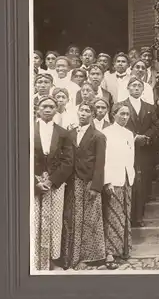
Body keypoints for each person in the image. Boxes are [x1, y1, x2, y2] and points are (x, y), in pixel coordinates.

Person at [61, 101, 106, 270]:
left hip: (89, 182)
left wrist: (96, 186)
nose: (83, 114)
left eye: (87, 111)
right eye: (81, 110)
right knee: (73, 218)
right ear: (77, 112)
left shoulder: (98, 136)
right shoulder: (70, 134)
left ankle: (90, 257)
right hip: (72, 182)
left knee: (90, 219)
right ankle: (71, 257)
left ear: (92, 115)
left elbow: (100, 163)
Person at [33, 96, 74, 270]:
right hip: (33, 183)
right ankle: (34, 260)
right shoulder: (28, 129)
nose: (48, 109)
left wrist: (51, 181)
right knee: (35, 220)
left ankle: (52, 259)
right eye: (44, 106)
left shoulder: (63, 133)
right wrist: (35, 181)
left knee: (54, 221)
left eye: (51, 106)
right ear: (38, 108)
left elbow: (68, 161)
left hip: (56, 183)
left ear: (56, 110)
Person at [101, 103, 136, 269]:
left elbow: (131, 157)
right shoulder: (106, 133)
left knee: (125, 214)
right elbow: (104, 159)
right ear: (114, 114)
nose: (125, 117)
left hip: (127, 179)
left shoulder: (129, 134)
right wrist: (107, 180)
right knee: (113, 216)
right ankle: (110, 253)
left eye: (127, 114)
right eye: (121, 114)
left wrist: (131, 176)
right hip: (113, 180)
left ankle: (124, 250)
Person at [122, 77, 159, 227]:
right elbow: (118, 123)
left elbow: (156, 125)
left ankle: (139, 217)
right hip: (126, 148)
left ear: (143, 90)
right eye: (133, 85)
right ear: (128, 88)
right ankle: (126, 216)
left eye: (139, 86)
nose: (136, 88)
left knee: (142, 182)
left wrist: (147, 137)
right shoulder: (121, 105)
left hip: (144, 150)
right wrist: (134, 137)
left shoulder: (150, 107)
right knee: (128, 181)